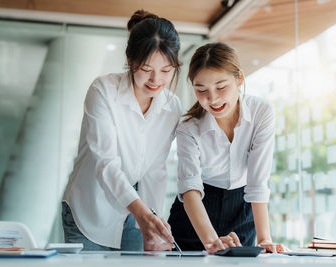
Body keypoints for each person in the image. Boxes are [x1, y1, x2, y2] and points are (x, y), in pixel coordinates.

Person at [62, 10, 182, 251]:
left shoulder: (172, 107)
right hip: (90, 212)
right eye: (147, 69)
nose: (156, 80)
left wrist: (151, 224)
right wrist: (142, 214)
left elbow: (155, 170)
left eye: (166, 71)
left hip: (135, 217)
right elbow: (105, 162)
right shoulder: (103, 91)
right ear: (130, 61)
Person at [168, 42, 287, 254]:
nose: (212, 99)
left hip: (242, 208)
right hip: (196, 213)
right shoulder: (188, 128)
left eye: (221, 87)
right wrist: (212, 242)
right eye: (201, 90)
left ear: (239, 79)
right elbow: (190, 190)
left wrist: (264, 239)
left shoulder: (261, 112)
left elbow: (258, 181)